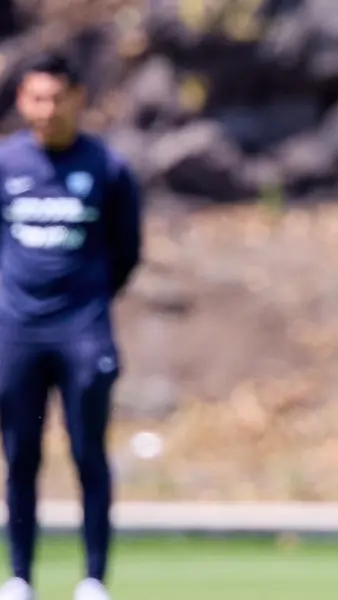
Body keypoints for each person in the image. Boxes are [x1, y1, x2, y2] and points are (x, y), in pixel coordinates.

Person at [0, 52, 142, 600]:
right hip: (17, 334)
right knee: (20, 456)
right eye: (36, 98)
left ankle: (93, 579)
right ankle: (18, 577)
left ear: (78, 98)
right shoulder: (7, 166)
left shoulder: (107, 168)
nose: (47, 110)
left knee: (88, 453)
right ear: (21, 101)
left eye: (57, 98)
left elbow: (127, 252)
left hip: (82, 332)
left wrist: (87, 304)